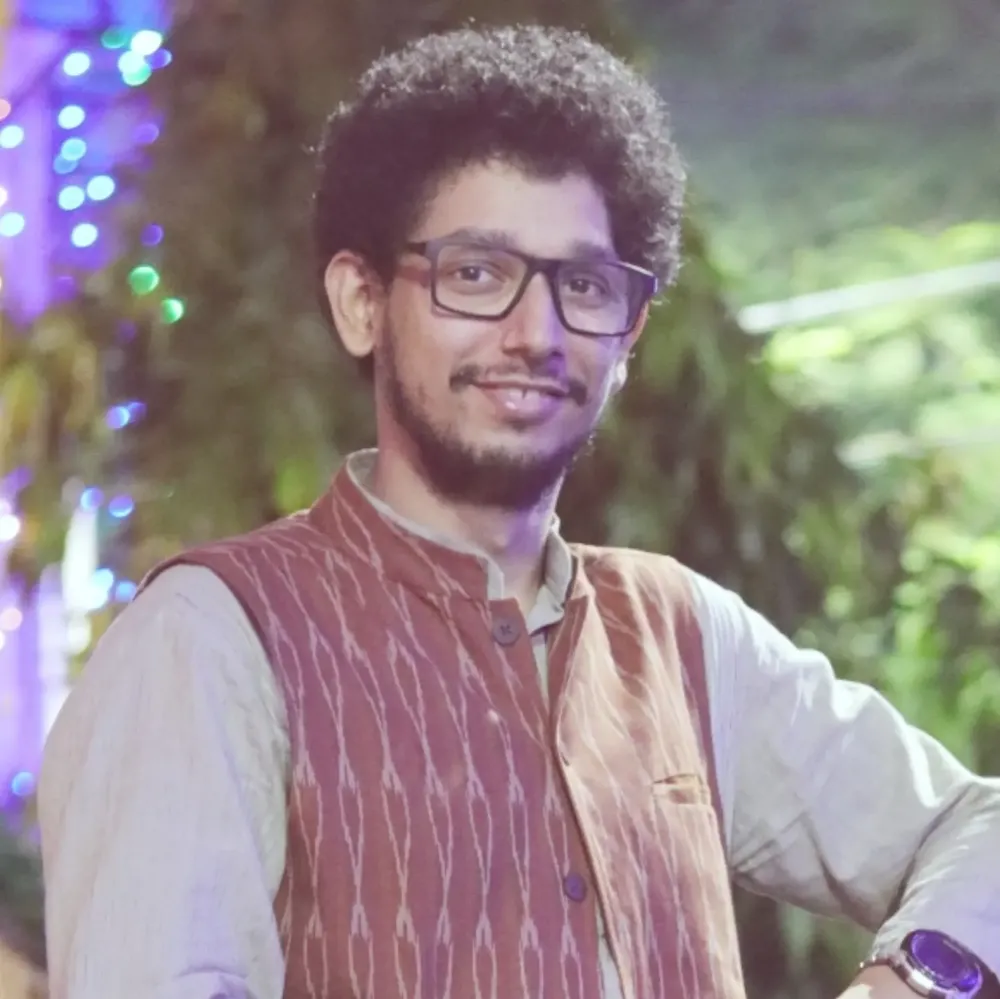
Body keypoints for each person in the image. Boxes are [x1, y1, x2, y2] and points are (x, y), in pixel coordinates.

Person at [38, 22, 999, 999]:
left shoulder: (679, 638)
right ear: (362, 302)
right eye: (476, 274)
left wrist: (913, 981)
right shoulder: (212, 642)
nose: (535, 332)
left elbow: (978, 826)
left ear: (627, 337)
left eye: (583, 285)